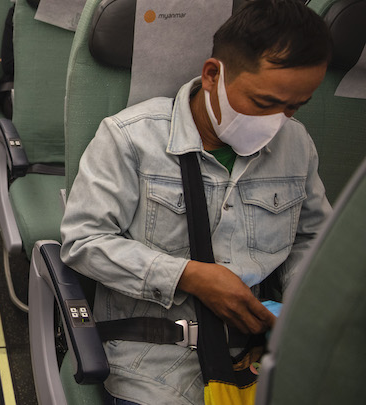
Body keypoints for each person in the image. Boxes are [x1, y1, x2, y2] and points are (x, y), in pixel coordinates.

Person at [59, 1, 332, 404]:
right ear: (212, 75)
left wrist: (298, 308)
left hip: (261, 354)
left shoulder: (297, 145)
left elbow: (312, 239)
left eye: (293, 107)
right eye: (263, 104)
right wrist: (189, 276)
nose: (278, 122)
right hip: (156, 361)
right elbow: (83, 242)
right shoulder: (130, 138)